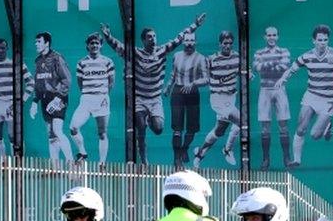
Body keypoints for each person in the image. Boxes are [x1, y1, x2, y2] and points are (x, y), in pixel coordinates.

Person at [100, 13, 206, 164]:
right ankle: (143, 158)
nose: (153, 39)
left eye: (154, 36)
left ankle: (151, 119)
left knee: (158, 129)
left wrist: (195, 24)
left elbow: (179, 38)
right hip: (139, 98)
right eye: (149, 37)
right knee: (141, 127)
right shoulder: (135, 53)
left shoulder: (162, 50)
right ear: (143, 40)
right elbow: (120, 47)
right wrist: (108, 36)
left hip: (155, 99)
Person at [275, 25, 333, 169]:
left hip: (329, 100)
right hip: (311, 95)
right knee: (300, 129)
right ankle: (297, 160)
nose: (323, 42)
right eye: (320, 40)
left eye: (325, 40)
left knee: (315, 136)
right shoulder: (306, 56)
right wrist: (282, 79)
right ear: (314, 41)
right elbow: (292, 69)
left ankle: (327, 126)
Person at [194, 31, 240, 169]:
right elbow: (205, 78)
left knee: (219, 130)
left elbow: (244, 70)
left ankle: (200, 153)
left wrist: (249, 74)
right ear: (220, 44)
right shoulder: (211, 60)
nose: (228, 46)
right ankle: (227, 150)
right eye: (225, 43)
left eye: (230, 43)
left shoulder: (237, 57)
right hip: (218, 98)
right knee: (242, 121)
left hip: (231, 98)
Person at [0, 38, 34, 158]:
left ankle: (17, 164)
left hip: (11, 104)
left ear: (7, 49)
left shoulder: (17, 64)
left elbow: (31, 82)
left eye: (2, 48)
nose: (0, 50)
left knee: (13, 136)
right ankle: (4, 163)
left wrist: (21, 101)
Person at [70, 33, 116, 164]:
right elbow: (80, 82)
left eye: (97, 43)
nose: (94, 45)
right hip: (86, 100)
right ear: (87, 46)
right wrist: (88, 94)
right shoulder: (81, 63)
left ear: (101, 45)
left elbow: (111, 82)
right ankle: (83, 153)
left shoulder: (108, 61)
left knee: (102, 133)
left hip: (102, 100)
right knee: (73, 127)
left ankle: (102, 163)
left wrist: (103, 95)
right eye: (92, 43)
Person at [30, 31, 74, 165]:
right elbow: (38, 83)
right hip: (45, 99)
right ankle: (55, 168)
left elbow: (67, 80)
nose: (36, 44)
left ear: (47, 43)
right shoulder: (38, 61)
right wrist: (34, 102)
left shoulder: (57, 58)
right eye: (35, 41)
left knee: (57, 130)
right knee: (50, 135)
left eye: (39, 41)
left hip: (58, 97)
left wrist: (58, 98)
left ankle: (71, 163)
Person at [165, 31, 208, 167]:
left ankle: (184, 148)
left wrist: (194, 83)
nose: (189, 43)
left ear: (195, 42)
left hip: (193, 93)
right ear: (183, 42)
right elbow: (173, 74)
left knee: (192, 129)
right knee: (177, 128)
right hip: (178, 92)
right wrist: (167, 87)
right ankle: (177, 158)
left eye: (191, 40)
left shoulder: (201, 58)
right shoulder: (176, 56)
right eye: (187, 40)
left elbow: (206, 79)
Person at [252, 26, 293, 170]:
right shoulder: (258, 52)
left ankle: (287, 158)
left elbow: (284, 66)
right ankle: (265, 159)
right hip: (264, 90)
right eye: (269, 35)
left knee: (283, 125)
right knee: (265, 128)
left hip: (279, 89)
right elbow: (257, 68)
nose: (271, 37)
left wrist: (266, 65)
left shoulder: (284, 51)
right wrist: (275, 63)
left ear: (278, 37)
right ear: (265, 37)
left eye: (274, 35)